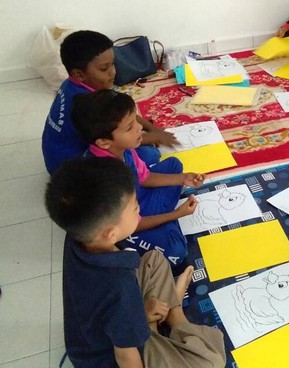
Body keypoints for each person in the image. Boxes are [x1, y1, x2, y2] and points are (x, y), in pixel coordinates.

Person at [46, 157, 225, 368]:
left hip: (107, 327)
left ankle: (167, 318)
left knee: (154, 260)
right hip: (110, 357)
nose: (139, 209)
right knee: (212, 361)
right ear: (110, 234)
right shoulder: (120, 287)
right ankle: (167, 318)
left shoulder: (78, 237)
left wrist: (137, 313)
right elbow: (126, 358)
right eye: (135, 207)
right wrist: (138, 316)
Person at [71, 89, 204, 267]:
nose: (139, 128)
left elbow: (144, 177)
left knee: (174, 165)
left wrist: (183, 179)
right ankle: (166, 221)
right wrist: (176, 214)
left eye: (135, 120)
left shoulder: (124, 149)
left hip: (137, 200)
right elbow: (131, 224)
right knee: (176, 252)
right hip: (127, 222)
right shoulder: (106, 180)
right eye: (129, 128)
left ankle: (163, 219)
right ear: (103, 142)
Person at [41, 30, 175, 175]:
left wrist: (153, 130)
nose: (113, 72)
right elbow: (114, 139)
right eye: (104, 68)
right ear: (79, 74)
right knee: (150, 155)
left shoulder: (71, 84)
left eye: (113, 64)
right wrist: (155, 137)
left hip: (58, 156)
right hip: (72, 170)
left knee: (145, 148)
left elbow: (122, 113)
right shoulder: (86, 104)